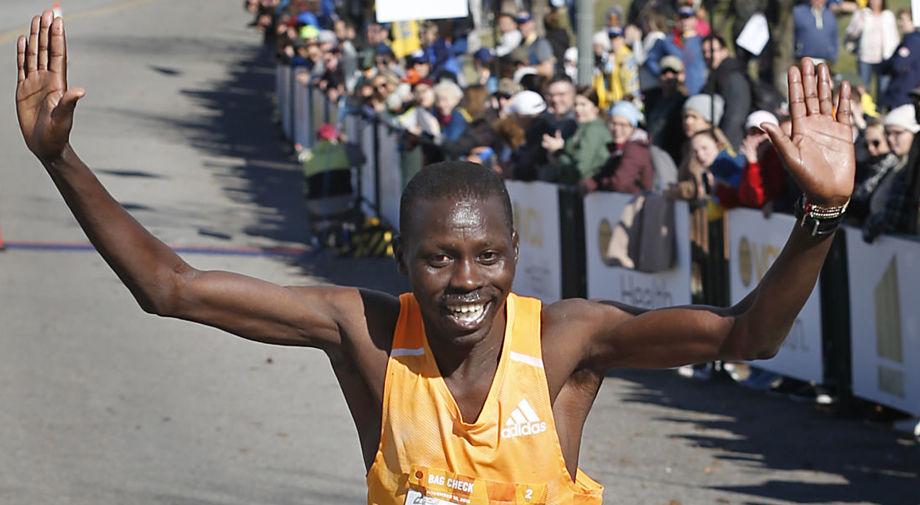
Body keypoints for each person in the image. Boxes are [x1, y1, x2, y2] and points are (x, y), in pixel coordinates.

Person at [16, 11, 856, 504]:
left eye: (487, 256)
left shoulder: (568, 342)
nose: (466, 281)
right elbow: (171, 288)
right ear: (403, 256)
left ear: (514, 252)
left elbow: (749, 337)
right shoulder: (362, 332)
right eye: (439, 258)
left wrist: (821, 212)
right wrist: (61, 160)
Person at [542, 86, 612, 184]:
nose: (578, 109)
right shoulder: (578, 128)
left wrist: (558, 152)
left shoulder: (594, 130)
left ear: (595, 107)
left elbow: (579, 170)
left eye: (583, 105)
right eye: (575, 105)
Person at [702, 34, 753, 151]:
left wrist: (727, 149)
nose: (707, 56)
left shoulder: (732, 77)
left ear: (725, 51)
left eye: (712, 51)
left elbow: (735, 116)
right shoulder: (715, 77)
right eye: (704, 52)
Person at [844, 0, 899, 98]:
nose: (874, 2)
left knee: (883, 87)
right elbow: (851, 33)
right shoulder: (863, 13)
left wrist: (894, 54)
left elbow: (894, 36)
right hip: (865, 57)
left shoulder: (888, 15)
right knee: (863, 87)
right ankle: (865, 109)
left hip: (884, 57)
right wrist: (859, 21)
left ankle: (880, 109)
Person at [879, 9, 920, 111]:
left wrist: (886, 64)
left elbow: (898, 65)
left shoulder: (913, 42)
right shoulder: (908, 41)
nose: (899, 23)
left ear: (912, 21)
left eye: (902, 20)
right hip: (902, 94)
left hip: (903, 95)